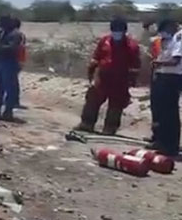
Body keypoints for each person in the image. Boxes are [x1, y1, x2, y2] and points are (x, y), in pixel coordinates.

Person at [75, 18, 141, 135]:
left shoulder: (132, 45)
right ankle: (87, 124)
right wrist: (91, 72)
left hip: (121, 78)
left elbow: (135, 64)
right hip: (103, 76)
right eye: (114, 30)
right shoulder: (104, 41)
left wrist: (132, 80)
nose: (117, 32)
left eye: (119, 30)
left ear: (124, 31)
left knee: (116, 104)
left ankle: (110, 128)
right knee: (93, 99)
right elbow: (96, 57)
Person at [149, 19, 182, 156]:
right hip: (163, 76)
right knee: (159, 110)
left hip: (172, 78)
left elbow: (175, 60)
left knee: (169, 112)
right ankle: (160, 140)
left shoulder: (179, 37)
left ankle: (170, 145)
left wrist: (158, 62)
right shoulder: (168, 39)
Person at [0, 17, 22, 121]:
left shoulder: (15, 34)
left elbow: (12, 48)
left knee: (10, 89)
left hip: (10, 63)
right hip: (1, 62)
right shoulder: (4, 32)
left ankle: (8, 112)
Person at [14, 18, 27, 109]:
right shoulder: (20, 35)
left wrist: (20, 61)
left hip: (16, 60)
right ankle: (14, 100)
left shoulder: (18, 35)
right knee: (14, 81)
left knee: (13, 82)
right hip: (18, 59)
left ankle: (15, 100)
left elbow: (21, 48)